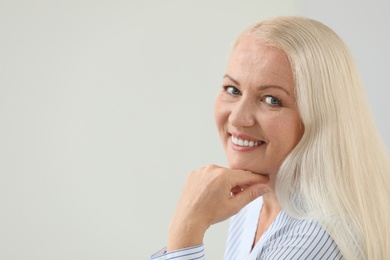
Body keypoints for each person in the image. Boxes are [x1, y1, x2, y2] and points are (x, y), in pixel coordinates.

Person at [150, 16, 390, 260]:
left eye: (271, 100)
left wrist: (186, 228)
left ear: (319, 115)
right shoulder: (256, 199)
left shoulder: (313, 238)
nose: (237, 118)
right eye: (233, 90)